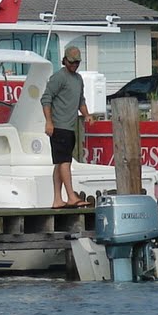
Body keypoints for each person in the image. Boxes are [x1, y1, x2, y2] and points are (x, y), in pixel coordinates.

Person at [41, 44, 91, 208]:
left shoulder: (78, 79)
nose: (74, 65)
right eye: (71, 62)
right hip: (58, 127)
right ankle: (71, 196)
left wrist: (87, 115)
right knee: (65, 162)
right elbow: (46, 99)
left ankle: (57, 199)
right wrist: (49, 122)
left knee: (60, 163)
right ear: (65, 61)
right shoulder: (58, 77)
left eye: (77, 62)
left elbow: (80, 101)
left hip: (70, 127)